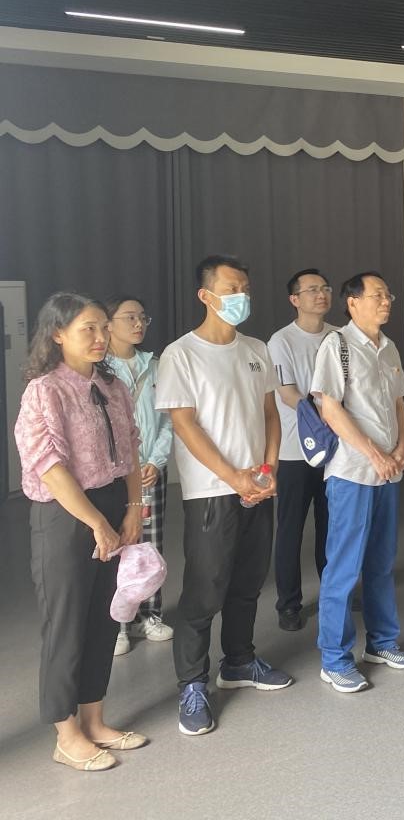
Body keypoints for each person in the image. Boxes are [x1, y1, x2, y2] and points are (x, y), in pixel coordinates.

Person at [156, 255, 291, 738]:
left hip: (257, 486)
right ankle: (192, 683)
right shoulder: (181, 354)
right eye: (232, 288)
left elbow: (270, 414)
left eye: (246, 288)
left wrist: (268, 469)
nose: (242, 296)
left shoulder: (255, 349)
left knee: (248, 582)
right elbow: (185, 425)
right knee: (205, 589)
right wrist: (234, 477)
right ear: (206, 295)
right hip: (211, 491)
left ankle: (239, 661)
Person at [14, 292, 146, 772]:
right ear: (57, 334)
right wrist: (96, 523)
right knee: (66, 624)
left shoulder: (112, 385)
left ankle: (94, 719)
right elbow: (47, 465)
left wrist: (133, 508)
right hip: (65, 515)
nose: (99, 337)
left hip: (113, 504)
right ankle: (66, 733)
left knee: (103, 619)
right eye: (87, 328)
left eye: (102, 327)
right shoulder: (45, 390)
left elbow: (131, 448)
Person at [309, 272, 404, 692]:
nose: (386, 301)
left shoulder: (389, 347)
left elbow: (399, 402)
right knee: (343, 566)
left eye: (388, 295)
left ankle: (382, 642)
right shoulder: (336, 345)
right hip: (353, 473)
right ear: (352, 302)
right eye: (377, 295)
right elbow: (330, 409)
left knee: (381, 561)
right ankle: (334, 659)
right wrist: (375, 454)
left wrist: (402, 447)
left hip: (389, 471)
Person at [267, 269, 337, 632]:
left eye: (324, 288)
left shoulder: (339, 336)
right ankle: (289, 603)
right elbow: (287, 392)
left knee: (331, 526)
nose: (320, 294)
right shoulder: (281, 341)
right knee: (291, 529)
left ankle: (333, 593)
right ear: (295, 299)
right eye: (311, 290)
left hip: (336, 450)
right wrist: (324, 415)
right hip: (296, 450)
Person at [104, 295, 174, 655]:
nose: (138, 324)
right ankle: (117, 623)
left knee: (151, 545)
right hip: (115, 476)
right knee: (118, 545)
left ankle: (150, 614)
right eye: (129, 317)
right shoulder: (99, 367)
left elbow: (169, 418)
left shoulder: (156, 365)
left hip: (149, 472)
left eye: (143, 318)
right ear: (109, 323)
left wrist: (156, 461)